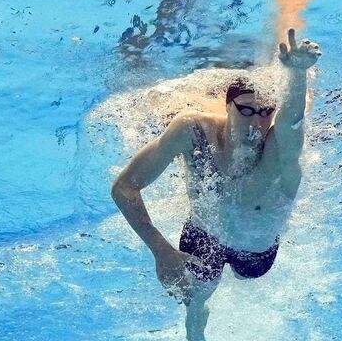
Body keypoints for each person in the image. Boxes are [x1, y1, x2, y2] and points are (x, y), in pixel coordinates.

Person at [111, 28, 321, 340]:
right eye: (246, 110)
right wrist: (160, 249)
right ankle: (196, 324)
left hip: (255, 251)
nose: (256, 122)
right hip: (204, 234)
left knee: (247, 276)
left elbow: (292, 120)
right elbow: (124, 186)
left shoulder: (278, 150)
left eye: (265, 112)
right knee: (196, 296)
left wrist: (296, 73)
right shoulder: (193, 130)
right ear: (227, 107)